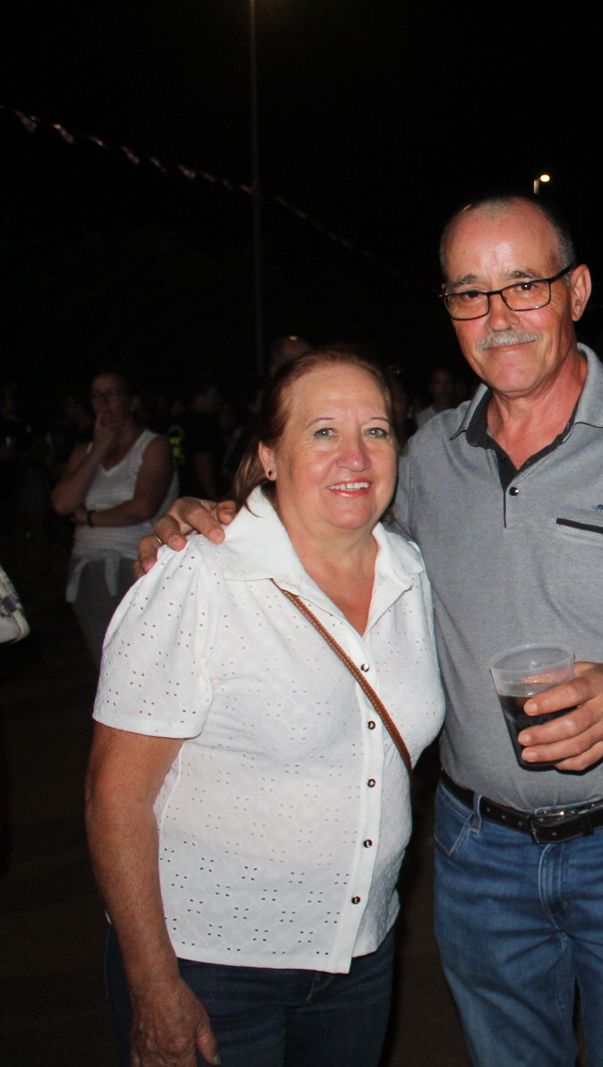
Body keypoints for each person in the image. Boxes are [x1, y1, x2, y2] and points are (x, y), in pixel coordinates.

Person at [146, 193, 603, 1067]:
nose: (499, 316)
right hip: (477, 848)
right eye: (469, 293)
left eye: (524, 285)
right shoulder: (423, 458)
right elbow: (318, 531)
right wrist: (208, 516)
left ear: (578, 291)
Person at [87, 348, 446, 1067]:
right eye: (322, 432)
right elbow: (114, 796)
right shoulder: (199, 574)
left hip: (361, 955)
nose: (356, 455)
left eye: (375, 431)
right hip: (212, 968)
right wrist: (154, 983)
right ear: (268, 455)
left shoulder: (410, 571)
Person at [50, 371, 177, 667]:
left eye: (113, 393)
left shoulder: (154, 446)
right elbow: (61, 503)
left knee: (144, 661)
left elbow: (143, 507)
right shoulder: (85, 451)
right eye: (97, 395)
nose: (104, 402)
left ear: (132, 402)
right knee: (108, 664)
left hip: (135, 563)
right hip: (88, 567)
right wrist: (100, 449)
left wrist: (90, 517)